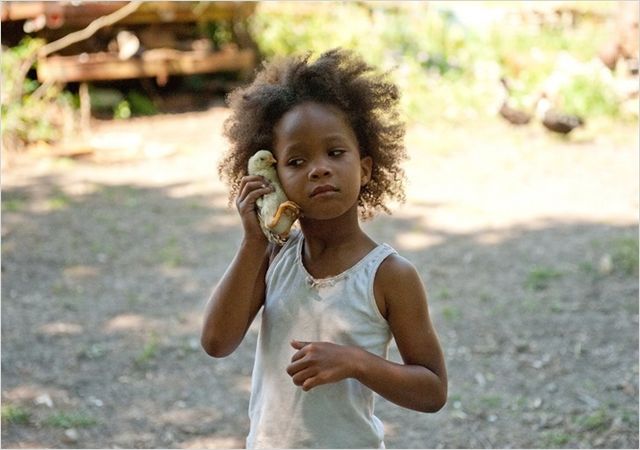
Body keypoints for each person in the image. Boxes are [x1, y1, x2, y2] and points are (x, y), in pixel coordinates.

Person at [201, 48, 447, 449]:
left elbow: (432, 389)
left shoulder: (388, 275)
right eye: (296, 161)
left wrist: (354, 361)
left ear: (365, 168)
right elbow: (216, 342)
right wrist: (253, 240)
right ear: (272, 175)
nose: (319, 168)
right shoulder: (271, 257)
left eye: (335, 153)